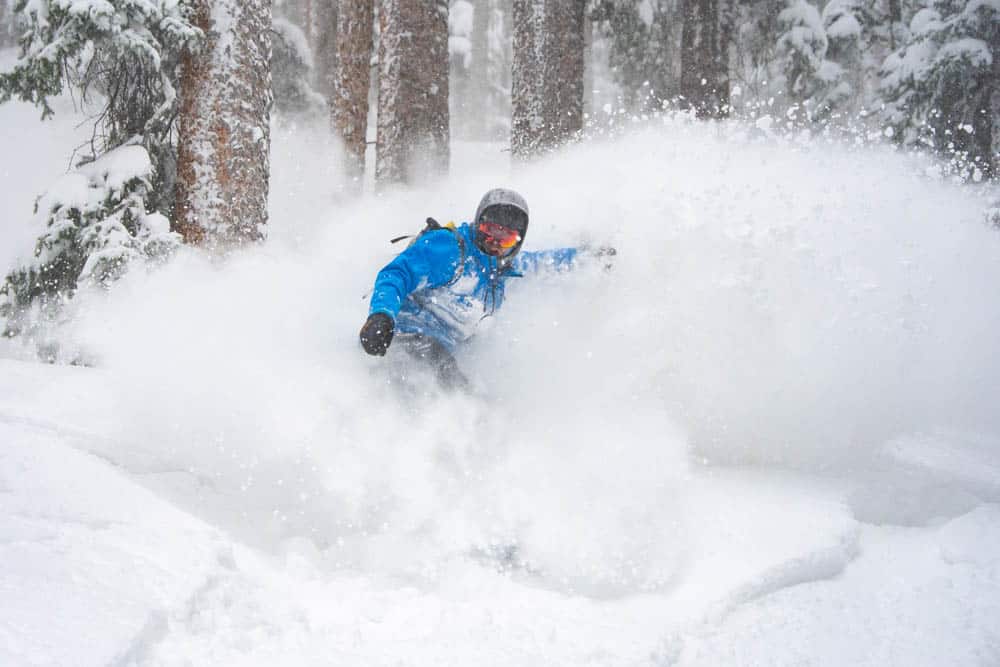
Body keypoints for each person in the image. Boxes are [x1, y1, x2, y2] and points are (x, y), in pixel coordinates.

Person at [359, 188, 599, 389]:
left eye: (504, 240)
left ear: (516, 242)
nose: (494, 244)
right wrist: (381, 316)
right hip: (404, 340)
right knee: (450, 388)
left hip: (442, 355)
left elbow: (542, 263)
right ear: (478, 225)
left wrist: (588, 258)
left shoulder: (502, 271)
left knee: (472, 397)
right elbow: (398, 274)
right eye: (488, 233)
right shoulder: (451, 248)